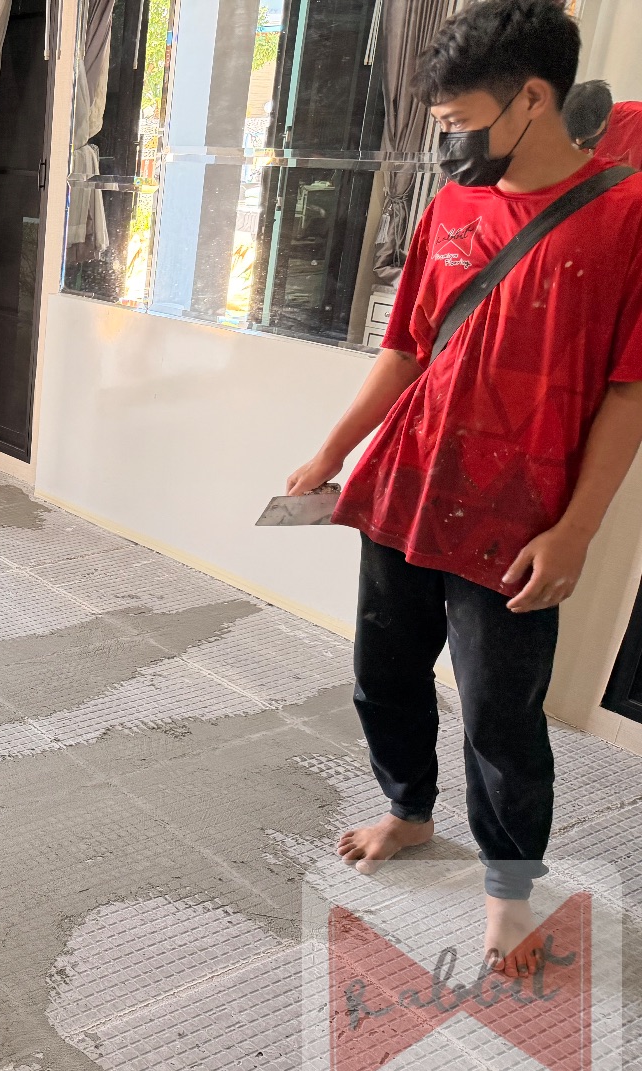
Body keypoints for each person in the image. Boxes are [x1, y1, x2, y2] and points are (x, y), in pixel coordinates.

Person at [286, 0, 642, 975]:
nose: (451, 144)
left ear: (532, 98)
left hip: (517, 520)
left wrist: (576, 531)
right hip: (406, 487)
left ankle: (508, 889)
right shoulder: (451, 207)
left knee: (499, 718)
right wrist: (331, 452)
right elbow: (406, 347)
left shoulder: (625, 217)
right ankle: (407, 809)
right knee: (384, 675)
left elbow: (628, 392)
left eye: (461, 121)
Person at [565, 78, 642, 167]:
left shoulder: (637, 119)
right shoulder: (573, 124)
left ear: (606, 116)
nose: (579, 142)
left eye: (585, 136)